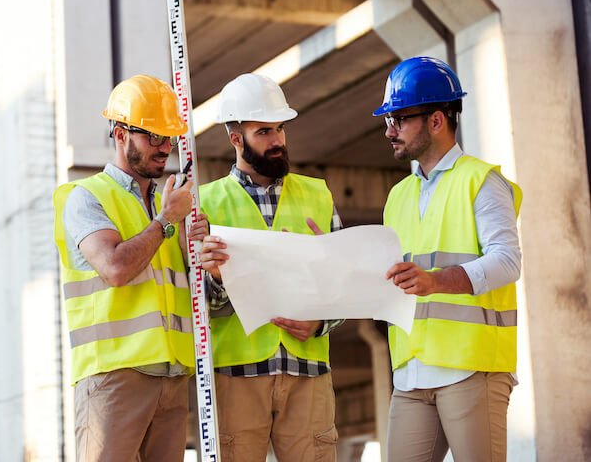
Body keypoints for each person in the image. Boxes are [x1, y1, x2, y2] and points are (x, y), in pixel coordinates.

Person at [376, 57, 522, 462]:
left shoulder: (481, 181)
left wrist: (436, 281)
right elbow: (390, 278)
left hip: (470, 369)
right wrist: (338, 259)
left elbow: (508, 261)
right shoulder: (398, 196)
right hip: (411, 372)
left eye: (399, 118)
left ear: (437, 120)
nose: (389, 131)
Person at [194, 73, 342, 461]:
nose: (277, 140)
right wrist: (215, 278)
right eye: (264, 131)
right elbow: (198, 309)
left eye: (280, 129)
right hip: (235, 377)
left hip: (307, 373)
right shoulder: (203, 205)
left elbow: (346, 284)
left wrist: (320, 323)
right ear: (236, 139)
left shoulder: (318, 195)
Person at [52, 74, 196, 461]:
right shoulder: (86, 198)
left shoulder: (172, 204)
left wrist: (191, 238)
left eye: (169, 138)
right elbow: (115, 268)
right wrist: (165, 222)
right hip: (116, 377)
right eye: (153, 137)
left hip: (172, 376)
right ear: (119, 134)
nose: (164, 148)